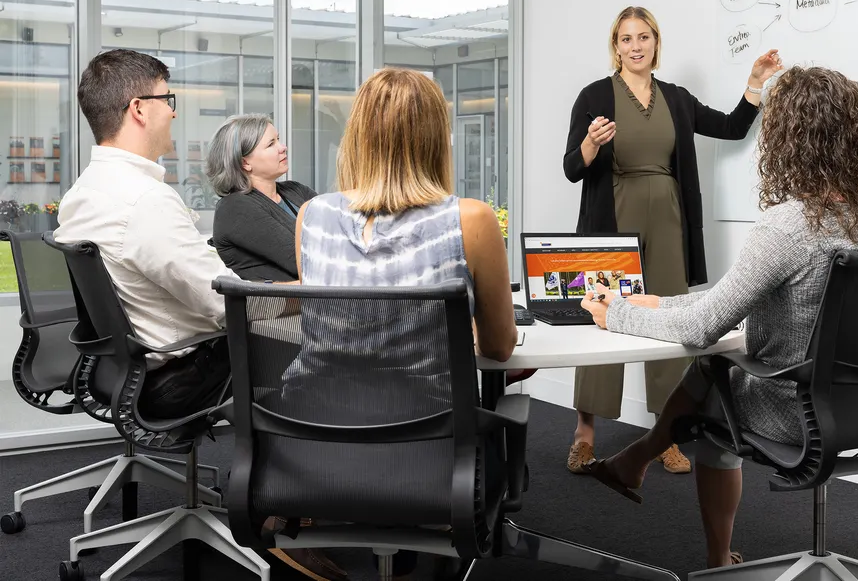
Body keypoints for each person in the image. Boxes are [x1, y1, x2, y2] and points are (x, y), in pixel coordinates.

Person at [578, 65, 858, 569]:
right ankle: (636, 462)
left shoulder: (788, 225)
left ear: (787, 138)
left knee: (715, 378)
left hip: (800, 411)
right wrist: (661, 303)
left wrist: (617, 315)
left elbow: (701, 328)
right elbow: (735, 300)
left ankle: (713, 556)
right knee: (721, 365)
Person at [54, 49, 346, 581]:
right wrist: (300, 296)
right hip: (181, 375)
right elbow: (223, 303)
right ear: (139, 108)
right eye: (169, 99)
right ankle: (284, 513)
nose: (174, 110)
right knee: (322, 340)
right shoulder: (145, 201)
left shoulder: (83, 193)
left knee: (304, 326)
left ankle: (308, 495)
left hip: (131, 367)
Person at [292, 67, 518, 580]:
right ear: (438, 137)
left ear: (356, 137)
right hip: (428, 456)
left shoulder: (312, 217)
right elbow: (501, 349)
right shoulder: (470, 220)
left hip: (318, 449)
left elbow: (336, 326)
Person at [562, 5, 781, 476]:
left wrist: (755, 82)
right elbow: (571, 168)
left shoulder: (677, 98)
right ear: (615, 46)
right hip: (611, 217)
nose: (636, 46)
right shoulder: (594, 96)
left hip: (667, 217)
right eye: (626, 39)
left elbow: (730, 126)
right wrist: (591, 144)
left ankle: (666, 434)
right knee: (604, 316)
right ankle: (584, 433)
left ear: (657, 44)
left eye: (644, 37)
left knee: (666, 318)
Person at [207, 114, 317, 281]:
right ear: (245, 163)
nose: (283, 147)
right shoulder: (235, 207)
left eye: (278, 139)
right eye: (271, 144)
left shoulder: (296, 191)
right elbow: (304, 261)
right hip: (282, 305)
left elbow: (336, 229)